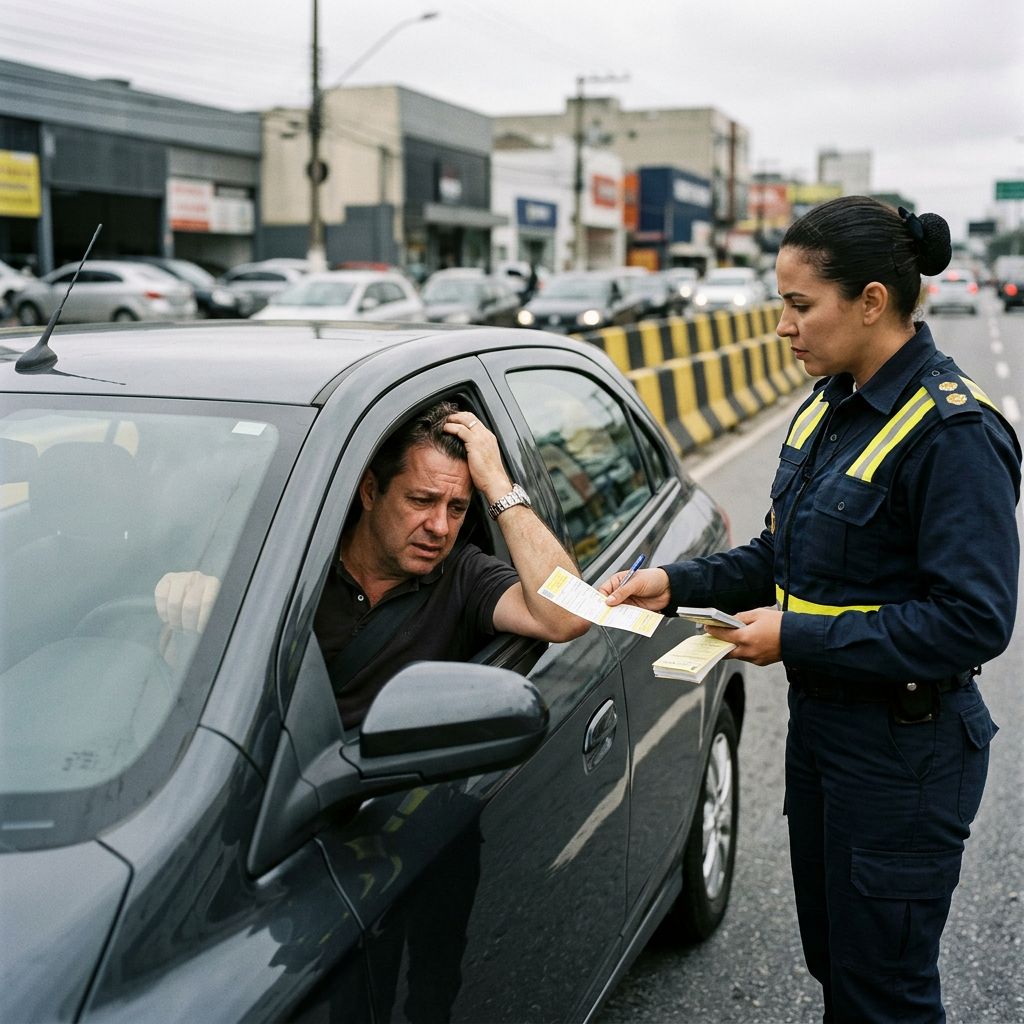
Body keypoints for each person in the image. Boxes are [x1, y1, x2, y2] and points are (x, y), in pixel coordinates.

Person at [599, 197, 1021, 1024]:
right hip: (826, 737)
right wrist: (675, 584)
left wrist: (794, 636)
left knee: (885, 996)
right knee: (837, 966)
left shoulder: (951, 432)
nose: (783, 328)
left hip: (906, 754)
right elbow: (780, 557)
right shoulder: (830, 406)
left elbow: (973, 620)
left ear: (870, 300)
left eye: (799, 306)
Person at [156, 401, 589, 727]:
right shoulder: (293, 561)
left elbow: (568, 615)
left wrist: (497, 484)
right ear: (369, 491)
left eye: (457, 508)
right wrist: (189, 616)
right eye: (421, 501)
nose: (439, 526)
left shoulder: (464, 576)